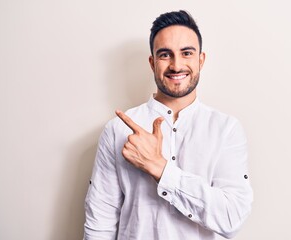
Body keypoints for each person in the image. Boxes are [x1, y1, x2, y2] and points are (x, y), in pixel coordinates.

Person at [84, 10, 253, 240]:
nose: (176, 65)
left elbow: (232, 218)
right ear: (153, 63)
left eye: (186, 53)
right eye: (165, 55)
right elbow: (100, 222)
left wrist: (159, 168)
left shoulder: (226, 130)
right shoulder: (117, 130)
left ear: (200, 60)